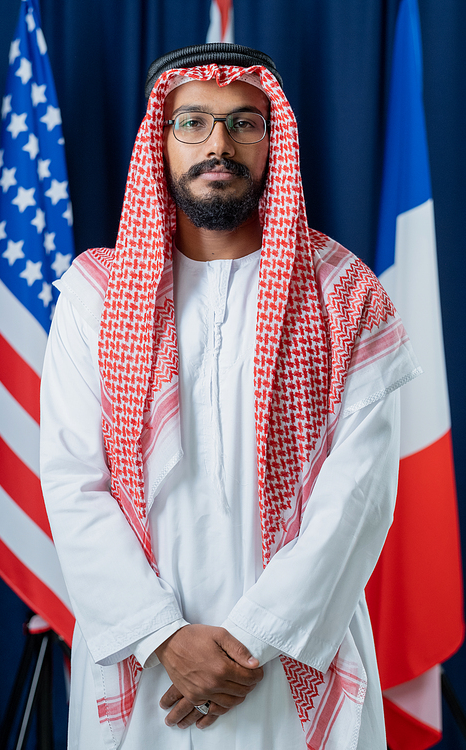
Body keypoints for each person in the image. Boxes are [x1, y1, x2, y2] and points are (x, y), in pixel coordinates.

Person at [40, 43, 420, 750]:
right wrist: (163, 638)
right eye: (194, 123)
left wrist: (252, 642)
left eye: (245, 122)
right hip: (148, 667)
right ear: (161, 141)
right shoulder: (96, 295)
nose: (219, 144)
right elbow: (72, 483)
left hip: (294, 664)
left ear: (274, 141)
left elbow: (359, 497)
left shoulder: (344, 293)